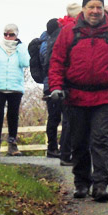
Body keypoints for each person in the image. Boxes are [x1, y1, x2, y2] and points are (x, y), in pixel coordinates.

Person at [48, 0, 108, 203]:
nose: (95, 11)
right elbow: (57, 61)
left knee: (101, 140)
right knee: (78, 141)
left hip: (105, 96)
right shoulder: (68, 32)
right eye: (91, 7)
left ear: (103, 9)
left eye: (99, 7)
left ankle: (100, 184)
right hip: (75, 97)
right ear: (83, 8)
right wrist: (56, 86)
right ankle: (81, 182)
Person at [44, 3, 82, 166]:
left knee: (70, 118)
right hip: (66, 82)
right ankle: (66, 153)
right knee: (67, 119)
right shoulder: (64, 32)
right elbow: (52, 60)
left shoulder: (63, 31)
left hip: (71, 80)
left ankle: (68, 152)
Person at [0, 23, 30, 157]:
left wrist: (20, 46)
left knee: (13, 115)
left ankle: (12, 144)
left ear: (16, 36)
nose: (8, 37)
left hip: (15, 87)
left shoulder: (21, 49)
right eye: (6, 34)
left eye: (11, 35)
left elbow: (25, 63)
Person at [39, 18, 64, 159]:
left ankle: (52, 147)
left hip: (47, 84)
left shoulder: (42, 43)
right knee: (62, 117)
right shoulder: (54, 42)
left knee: (53, 117)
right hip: (55, 82)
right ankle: (59, 147)